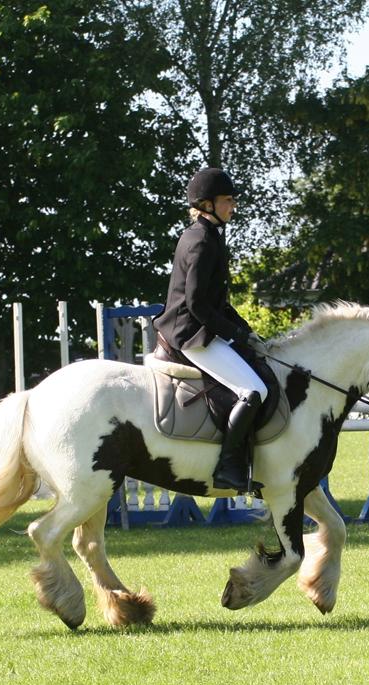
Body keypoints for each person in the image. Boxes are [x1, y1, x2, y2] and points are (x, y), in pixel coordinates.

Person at [153, 167, 267, 492]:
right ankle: (228, 468)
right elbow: (198, 305)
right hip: (190, 335)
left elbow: (218, 303)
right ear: (207, 204)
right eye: (228, 201)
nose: (233, 207)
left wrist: (246, 331)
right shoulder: (201, 241)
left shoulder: (208, 236)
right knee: (254, 391)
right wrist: (235, 334)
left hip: (200, 328)